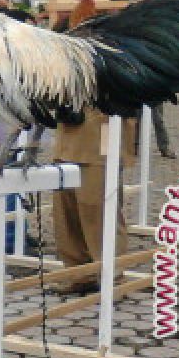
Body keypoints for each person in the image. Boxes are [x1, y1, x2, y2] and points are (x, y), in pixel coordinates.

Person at [51, 108, 136, 294]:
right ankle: (79, 274)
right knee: (66, 212)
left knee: (99, 209)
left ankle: (113, 277)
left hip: (103, 133)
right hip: (67, 135)